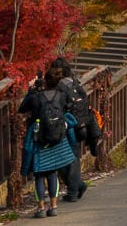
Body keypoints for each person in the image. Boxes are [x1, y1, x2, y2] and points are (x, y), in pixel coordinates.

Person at [20, 70, 77, 218]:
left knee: (39, 175)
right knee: (52, 173)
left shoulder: (36, 98)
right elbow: (69, 106)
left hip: (39, 140)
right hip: (56, 139)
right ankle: (53, 206)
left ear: (44, 82)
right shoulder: (61, 96)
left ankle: (41, 209)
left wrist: (31, 90)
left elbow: (22, 108)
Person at [48, 58, 89, 203]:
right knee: (73, 158)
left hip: (65, 127)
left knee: (66, 159)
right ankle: (77, 186)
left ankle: (74, 189)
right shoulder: (75, 82)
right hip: (79, 125)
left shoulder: (60, 87)